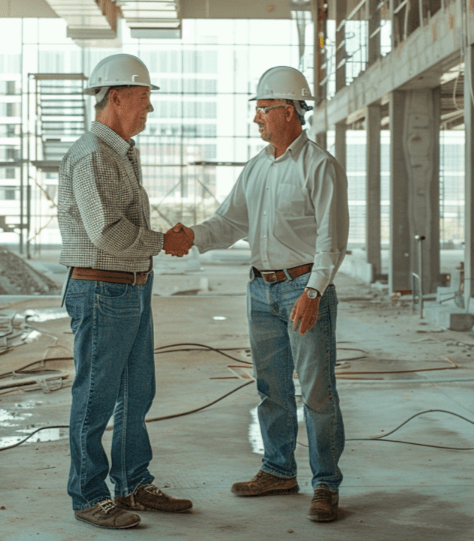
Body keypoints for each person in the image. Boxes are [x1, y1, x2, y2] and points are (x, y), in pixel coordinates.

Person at [173, 66, 349, 522]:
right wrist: (191, 235)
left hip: (303, 290)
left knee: (316, 393)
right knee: (271, 388)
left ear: (288, 111)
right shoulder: (256, 167)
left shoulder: (319, 166)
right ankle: (278, 470)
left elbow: (332, 240)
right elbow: (229, 223)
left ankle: (325, 484)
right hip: (261, 291)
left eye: (262, 110)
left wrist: (313, 292)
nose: (257, 119)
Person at [57, 53, 194, 530]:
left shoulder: (118, 153)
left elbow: (122, 230)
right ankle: (89, 495)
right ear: (114, 98)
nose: (148, 110)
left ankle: (133, 483)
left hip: (130, 286)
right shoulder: (93, 155)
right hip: (101, 290)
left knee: (138, 392)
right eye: (143, 99)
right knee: (95, 397)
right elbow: (109, 235)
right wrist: (164, 243)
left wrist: (157, 248)